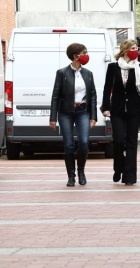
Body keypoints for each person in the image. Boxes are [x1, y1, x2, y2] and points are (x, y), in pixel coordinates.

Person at [101, 39, 140, 186]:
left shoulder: (139, 67)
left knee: (131, 143)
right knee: (119, 140)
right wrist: (105, 107)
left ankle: (130, 176)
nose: (137, 51)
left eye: (137, 48)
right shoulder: (113, 67)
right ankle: (118, 168)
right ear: (126, 50)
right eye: (134, 48)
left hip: (134, 110)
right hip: (117, 109)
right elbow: (107, 88)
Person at [50, 43, 97, 187]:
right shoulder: (62, 73)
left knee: (84, 142)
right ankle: (71, 176)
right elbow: (55, 96)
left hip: (82, 112)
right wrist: (53, 118)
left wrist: (93, 116)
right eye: (84, 52)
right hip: (65, 113)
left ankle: (81, 171)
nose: (86, 55)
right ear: (75, 56)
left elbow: (93, 95)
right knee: (69, 145)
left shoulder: (88, 73)